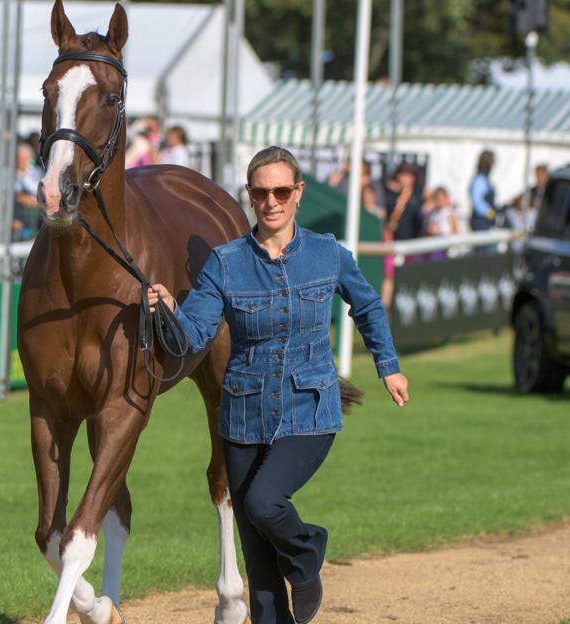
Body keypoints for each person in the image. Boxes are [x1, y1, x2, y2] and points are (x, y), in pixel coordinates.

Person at [148, 146, 409, 624]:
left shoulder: (328, 253)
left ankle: (308, 556)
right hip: (243, 415)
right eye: (261, 192)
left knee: (262, 503)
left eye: (281, 191)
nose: (271, 201)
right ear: (250, 195)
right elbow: (195, 335)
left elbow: (368, 306)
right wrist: (169, 310)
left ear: (298, 193)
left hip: (310, 409)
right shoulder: (225, 263)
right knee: (258, 561)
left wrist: (387, 365)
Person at [12, 142, 43, 241]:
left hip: (35, 219)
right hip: (17, 219)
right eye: (19, 157)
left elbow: (40, 197)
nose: (21, 160)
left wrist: (21, 198)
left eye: (25, 157)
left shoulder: (37, 172)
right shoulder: (10, 174)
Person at [469, 149, 497, 231]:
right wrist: (491, 213)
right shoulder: (480, 179)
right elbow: (477, 201)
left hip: (485, 221)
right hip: (481, 222)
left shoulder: (485, 179)